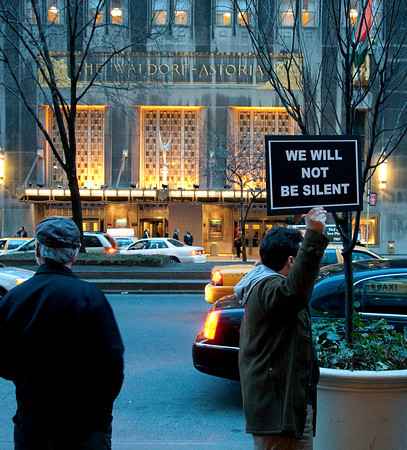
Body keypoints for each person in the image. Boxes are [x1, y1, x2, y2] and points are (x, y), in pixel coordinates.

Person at [0, 217, 124, 450]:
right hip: (85, 425)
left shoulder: (15, 298)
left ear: (38, 251)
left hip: (33, 422)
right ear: (75, 253)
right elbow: (112, 365)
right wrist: (100, 412)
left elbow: (3, 361)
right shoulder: (90, 296)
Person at [237, 207, 328, 450]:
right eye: (298, 258)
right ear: (290, 260)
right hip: (277, 413)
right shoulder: (269, 288)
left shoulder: (264, 283)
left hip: (284, 408)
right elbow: (294, 293)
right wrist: (314, 236)